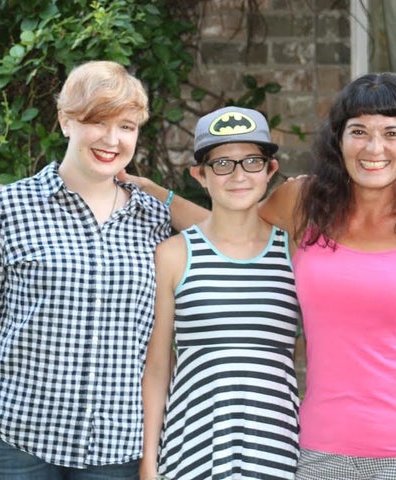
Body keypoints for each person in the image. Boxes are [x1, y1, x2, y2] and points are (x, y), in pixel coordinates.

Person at [128, 73, 396, 479]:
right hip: (320, 448)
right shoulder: (304, 203)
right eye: (358, 131)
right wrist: (157, 194)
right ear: (339, 141)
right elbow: (229, 227)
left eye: (392, 133)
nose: (374, 147)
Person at [0, 60, 172, 480]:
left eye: (126, 126)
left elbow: (156, 348)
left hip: (115, 449)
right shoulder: (8, 208)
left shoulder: (154, 221)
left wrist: (150, 457)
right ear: (66, 121)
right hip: (12, 443)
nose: (111, 139)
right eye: (97, 122)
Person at [139, 107, 301, 480]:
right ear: (200, 175)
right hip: (192, 445)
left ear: (270, 170)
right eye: (223, 164)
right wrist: (150, 459)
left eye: (252, 162)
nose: (239, 176)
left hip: (276, 444)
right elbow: (159, 365)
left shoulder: (292, 251)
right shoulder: (174, 254)